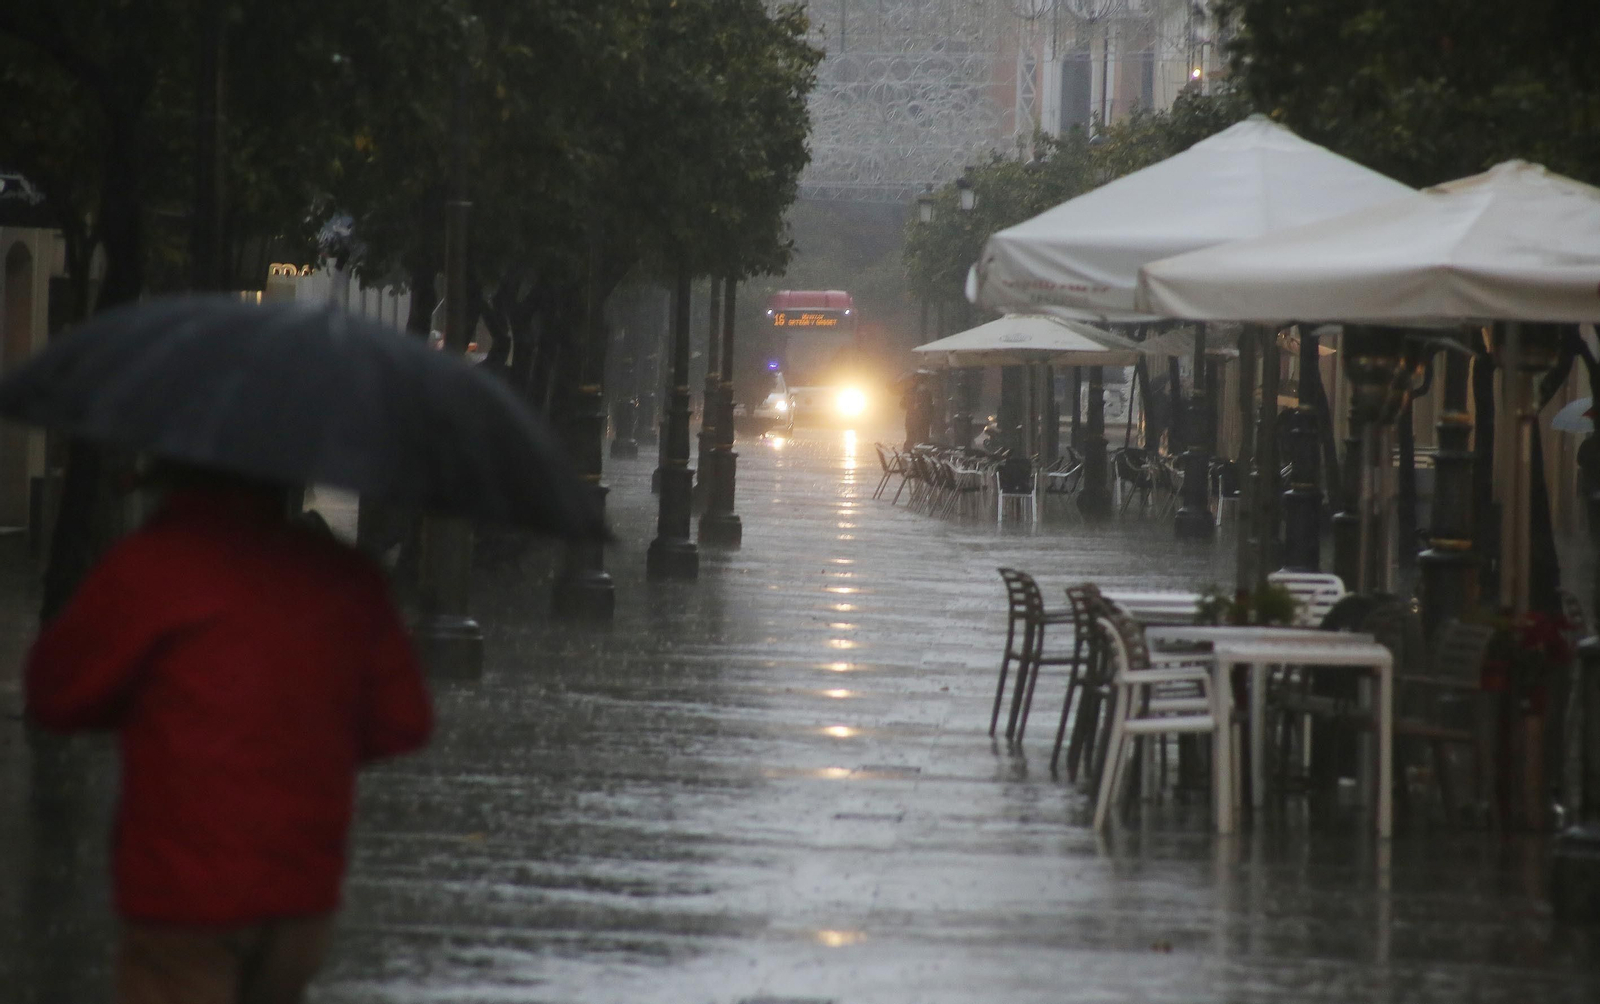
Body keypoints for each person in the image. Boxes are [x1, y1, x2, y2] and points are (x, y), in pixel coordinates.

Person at [26, 462, 432, 1004]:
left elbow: (56, 693)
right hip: (296, 892)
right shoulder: (342, 579)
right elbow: (403, 720)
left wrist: (141, 707)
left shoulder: (151, 568)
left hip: (179, 890)